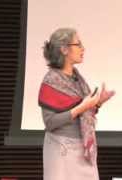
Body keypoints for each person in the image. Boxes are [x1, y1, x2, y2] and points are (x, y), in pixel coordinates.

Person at [38, 27, 115, 180]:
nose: (83, 49)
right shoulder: (51, 81)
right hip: (61, 151)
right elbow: (50, 122)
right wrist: (83, 107)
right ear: (64, 49)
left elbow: (82, 112)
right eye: (78, 44)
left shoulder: (77, 78)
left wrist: (97, 104)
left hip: (82, 149)